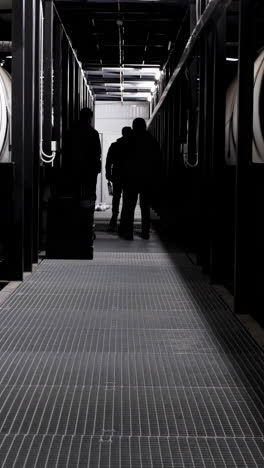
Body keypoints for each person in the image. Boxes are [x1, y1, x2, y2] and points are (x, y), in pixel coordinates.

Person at [118, 117, 160, 240]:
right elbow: (157, 160)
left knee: (129, 207)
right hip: (147, 178)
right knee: (145, 206)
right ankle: (145, 233)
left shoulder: (129, 140)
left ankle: (128, 233)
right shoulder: (151, 140)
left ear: (134, 126)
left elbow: (122, 160)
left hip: (131, 178)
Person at [70, 107, 101, 257]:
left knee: (74, 198)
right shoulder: (93, 133)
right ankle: (87, 228)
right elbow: (97, 153)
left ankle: (74, 228)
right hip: (89, 172)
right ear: (90, 117)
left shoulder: (71, 132)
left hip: (74, 171)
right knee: (89, 199)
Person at [105, 127, 132, 231]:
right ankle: (124, 220)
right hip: (129, 176)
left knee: (116, 197)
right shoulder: (132, 146)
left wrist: (108, 174)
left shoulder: (115, 145)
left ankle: (114, 218)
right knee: (127, 198)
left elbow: (108, 161)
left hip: (117, 175)